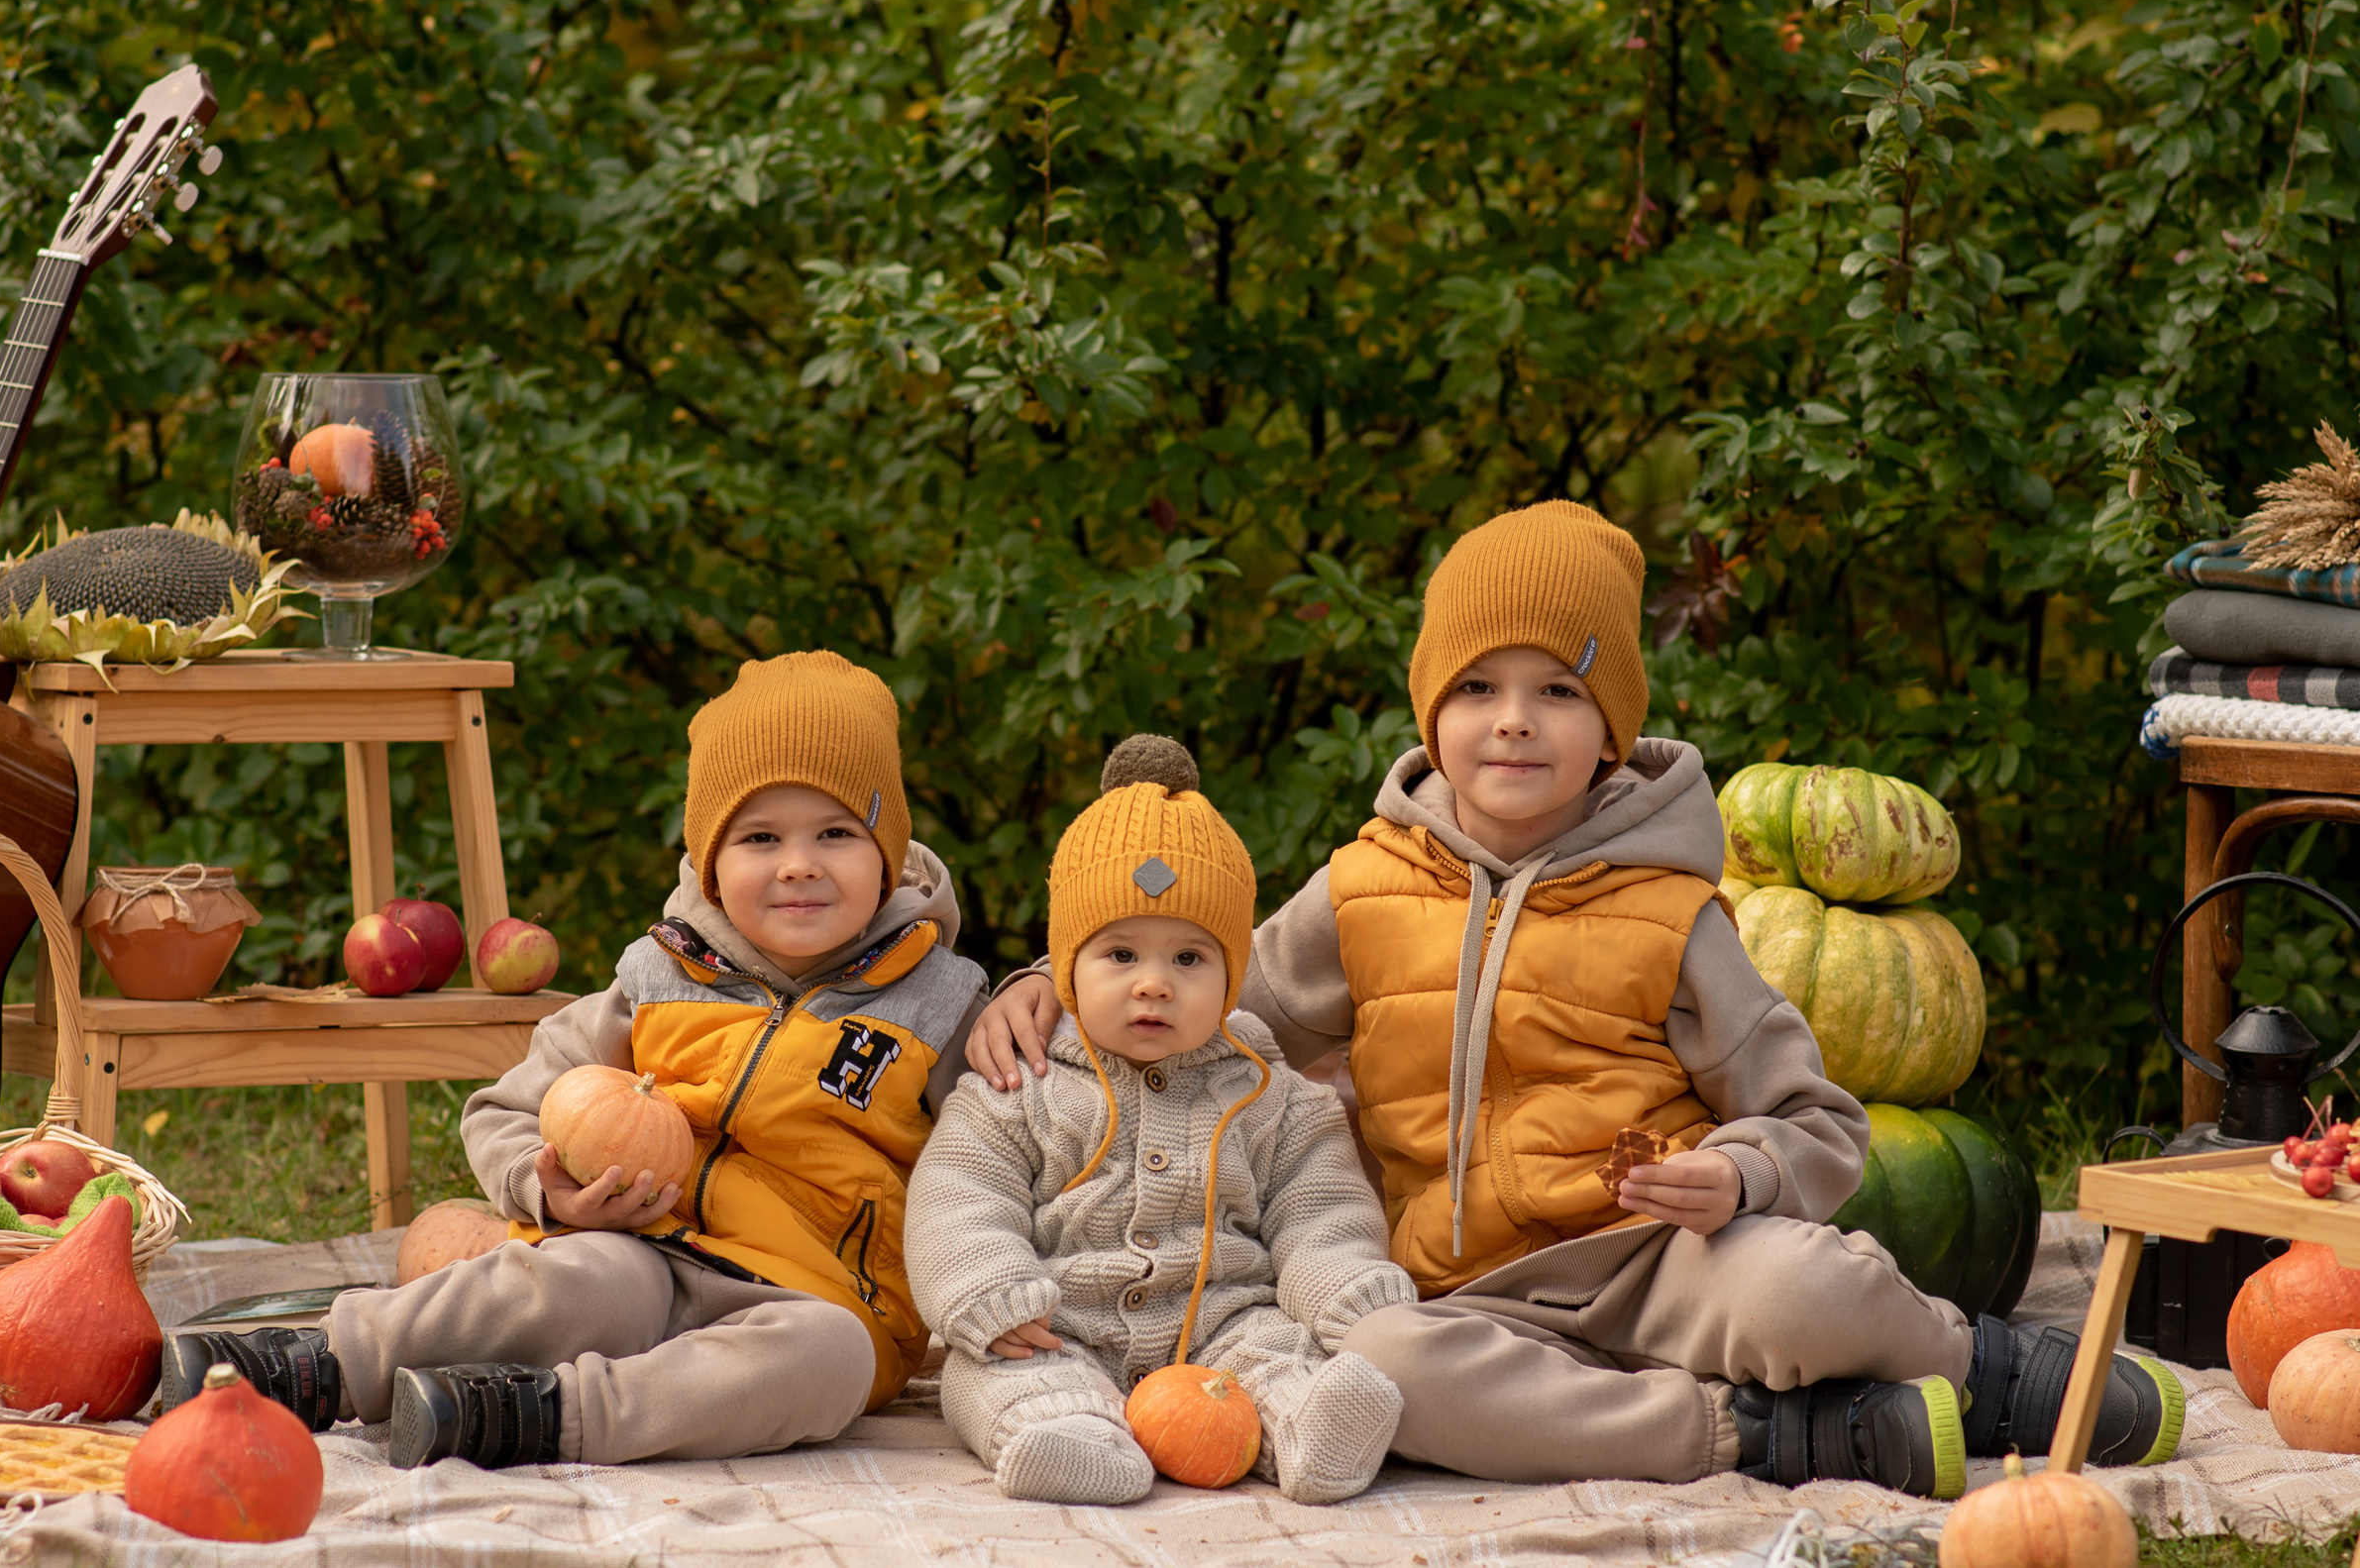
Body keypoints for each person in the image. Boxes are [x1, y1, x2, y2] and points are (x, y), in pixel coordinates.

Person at [966, 504, 2184, 1495]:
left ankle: (1972, 1363)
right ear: (1429, 707)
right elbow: (1200, 1000)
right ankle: (1759, 1437)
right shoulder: (1359, 889)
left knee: (1802, 1285)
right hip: (1447, 1290)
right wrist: (1046, 985)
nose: (1512, 722)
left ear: (1611, 724)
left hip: (1657, 1256)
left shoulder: (1671, 908)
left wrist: (1738, 1177)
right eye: (1478, 686)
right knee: (1383, 1371)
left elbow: (1816, 1123)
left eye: (1557, 689)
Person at [162, 650, 990, 1469]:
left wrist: (1040, 988)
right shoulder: (658, 980)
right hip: (645, 1248)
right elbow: (504, 1108)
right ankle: (324, 1362)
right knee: (584, 1278)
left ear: (886, 853)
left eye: (837, 832)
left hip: (815, 1299)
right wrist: (543, 1184)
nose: (799, 862)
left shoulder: (940, 1006)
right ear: (709, 860)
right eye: (761, 836)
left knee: (830, 1357)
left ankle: (536, 1415)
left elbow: (1020, 1142)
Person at [906, 736, 1413, 1506]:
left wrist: (1345, 1290)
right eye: (1119, 955)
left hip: (1223, 1323)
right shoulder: (1019, 1086)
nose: (1154, 984)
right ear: (1065, 964)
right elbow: (959, 1196)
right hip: (1057, 1323)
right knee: (994, 1372)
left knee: (1281, 1355)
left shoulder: (1273, 1095)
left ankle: (1312, 1428)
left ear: (1232, 975)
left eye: (1188, 959)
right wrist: (990, 1292)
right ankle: (1061, 1433)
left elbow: (1324, 1213)